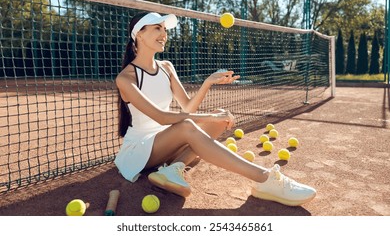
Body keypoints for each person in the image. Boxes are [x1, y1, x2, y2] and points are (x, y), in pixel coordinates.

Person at [114, 11, 316, 206]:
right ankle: (264, 179)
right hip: (140, 151)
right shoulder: (126, 78)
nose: (164, 34)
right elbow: (161, 117)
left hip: (166, 142)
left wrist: (207, 83)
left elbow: (187, 106)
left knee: (219, 118)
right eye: (158, 28)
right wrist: (206, 117)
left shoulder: (166, 67)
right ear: (139, 33)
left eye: (165, 29)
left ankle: (174, 168)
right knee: (191, 124)